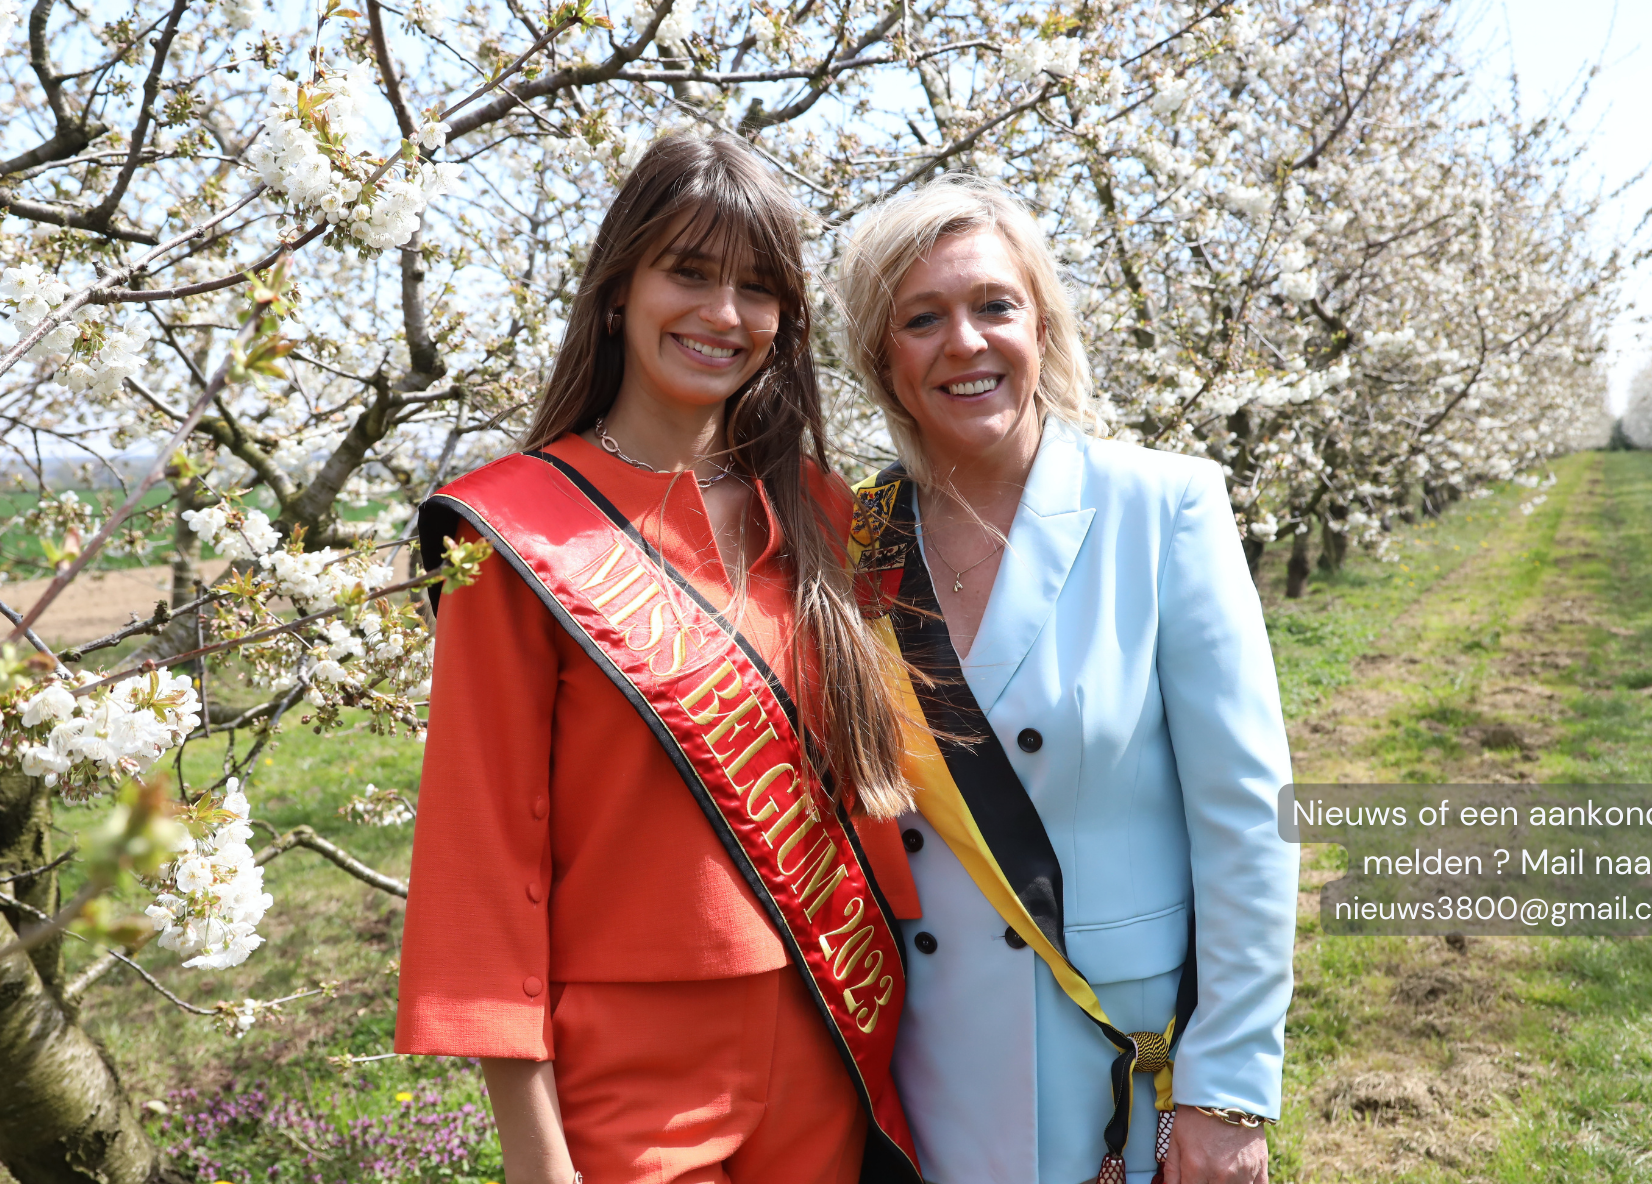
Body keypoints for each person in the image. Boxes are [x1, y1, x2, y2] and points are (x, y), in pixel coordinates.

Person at [396, 132, 924, 1184]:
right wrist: (532, 1149)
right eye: (687, 272)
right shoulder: (514, 533)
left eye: (757, 287)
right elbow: (483, 846)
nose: (722, 315)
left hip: (829, 1016)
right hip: (627, 1061)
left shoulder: (821, 513)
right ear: (617, 287)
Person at [836, 177, 1298, 1184]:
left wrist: (1226, 1090)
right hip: (921, 1073)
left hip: (1114, 1065)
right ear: (883, 358)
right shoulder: (851, 540)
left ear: (1039, 324)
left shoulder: (1160, 508)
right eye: (921, 319)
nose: (963, 342)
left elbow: (1247, 819)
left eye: (992, 305)